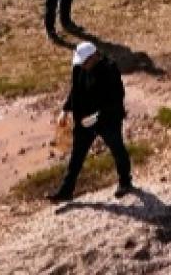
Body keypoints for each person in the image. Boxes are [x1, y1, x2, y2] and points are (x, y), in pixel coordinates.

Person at [47, 42, 133, 202]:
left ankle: (125, 182)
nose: (83, 65)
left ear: (94, 57)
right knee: (76, 156)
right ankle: (66, 191)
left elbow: (116, 98)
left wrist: (97, 117)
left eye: (85, 62)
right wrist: (65, 110)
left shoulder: (110, 69)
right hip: (84, 120)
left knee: (117, 149)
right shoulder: (79, 68)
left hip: (107, 119)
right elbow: (75, 90)